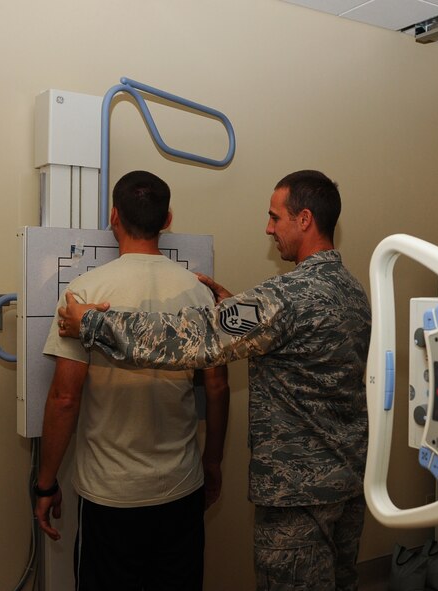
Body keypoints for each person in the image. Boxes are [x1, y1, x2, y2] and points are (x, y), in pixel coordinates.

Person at [56, 170, 372, 591]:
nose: (268, 227)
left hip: (297, 499)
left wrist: (92, 322)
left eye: (275, 218)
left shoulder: (285, 298)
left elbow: (193, 338)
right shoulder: (353, 291)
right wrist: (235, 310)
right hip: (346, 485)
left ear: (305, 219)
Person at [34, 170, 230, 591]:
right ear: (168, 219)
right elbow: (216, 387)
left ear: (114, 217)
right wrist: (211, 461)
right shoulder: (199, 293)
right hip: (180, 487)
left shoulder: (83, 294)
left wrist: (45, 483)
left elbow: (65, 398)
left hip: (111, 496)